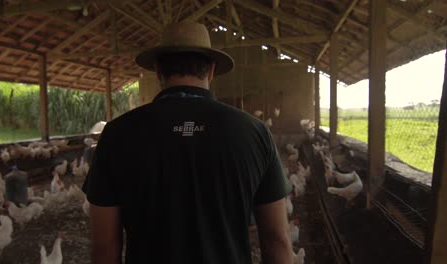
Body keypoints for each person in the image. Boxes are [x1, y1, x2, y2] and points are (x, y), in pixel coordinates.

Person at [83, 22, 293, 264]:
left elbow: (104, 246)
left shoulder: (117, 134)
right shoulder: (255, 132)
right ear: (211, 70)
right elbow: (277, 238)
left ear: (158, 70)